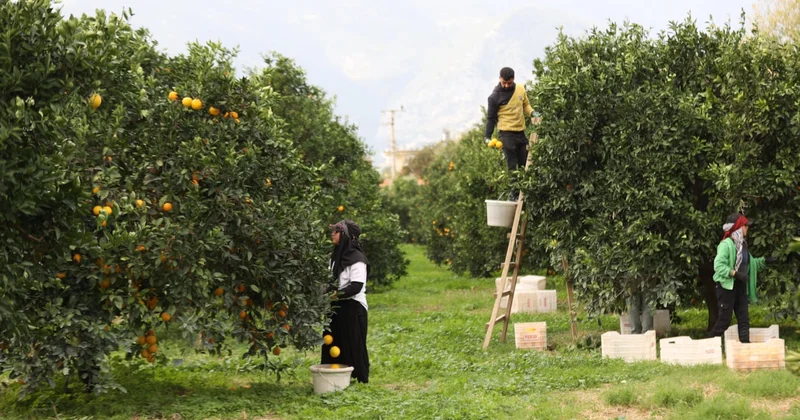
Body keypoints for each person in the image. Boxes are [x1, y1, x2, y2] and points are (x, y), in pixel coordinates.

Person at [709, 213, 776, 342]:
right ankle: (708, 346)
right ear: (738, 227)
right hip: (727, 287)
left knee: (744, 320)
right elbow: (718, 266)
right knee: (724, 321)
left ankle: (746, 348)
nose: (747, 228)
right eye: (745, 226)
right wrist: (735, 273)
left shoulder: (742, 245)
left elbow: (750, 263)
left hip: (740, 286)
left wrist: (766, 261)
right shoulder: (726, 245)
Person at [321, 219, 370, 383]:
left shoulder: (357, 258)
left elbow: (356, 286)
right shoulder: (334, 257)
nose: (332, 234)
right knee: (332, 340)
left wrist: (336, 294)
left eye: (336, 231)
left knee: (353, 343)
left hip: (353, 306)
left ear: (345, 236)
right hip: (336, 305)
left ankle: (360, 378)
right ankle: (333, 378)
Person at [484, 66, 539, 201]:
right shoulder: (494, 97)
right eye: (504, 83)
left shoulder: (520, 89)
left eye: (509, 83)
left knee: (525, 163)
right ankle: (513, 194)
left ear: (513, 79)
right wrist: (487, 136)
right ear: (500, 79)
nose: (507, 86)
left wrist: (532, 112)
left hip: (521, 133)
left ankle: (525, 192)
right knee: (512, 165)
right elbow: (490, 118)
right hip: (506, 135)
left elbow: (525, 104)